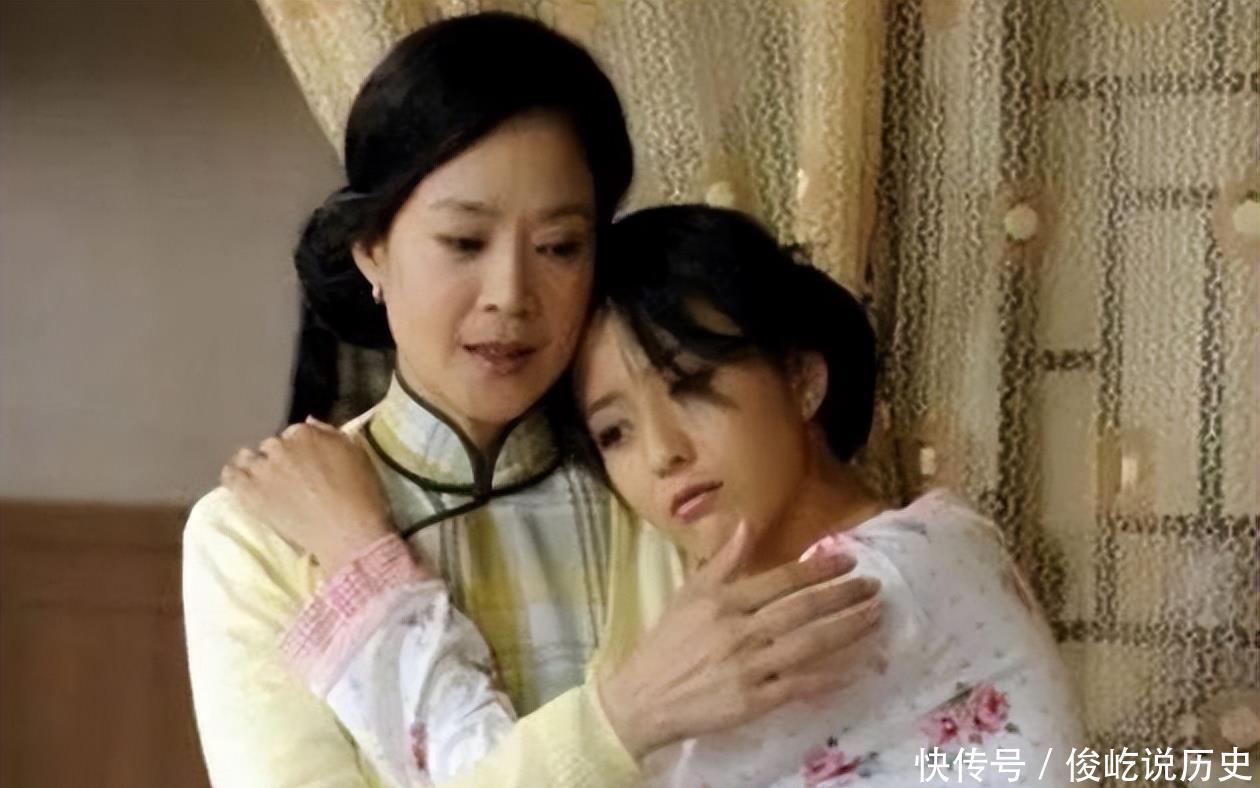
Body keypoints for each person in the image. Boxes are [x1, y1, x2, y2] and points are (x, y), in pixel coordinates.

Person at [186, 14, 880, 788]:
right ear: (373, 250)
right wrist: (622, 720)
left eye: (559, 247)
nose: (511, 295)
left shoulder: (668, 481)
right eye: (464, 242)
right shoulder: (255, 537)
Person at [229, 206, 1084, 786]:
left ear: (802, 379)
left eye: (692, 386)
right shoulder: (937, 539)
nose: (665, 453)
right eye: (615, 433)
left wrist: (359, 555)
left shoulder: (858, 594)